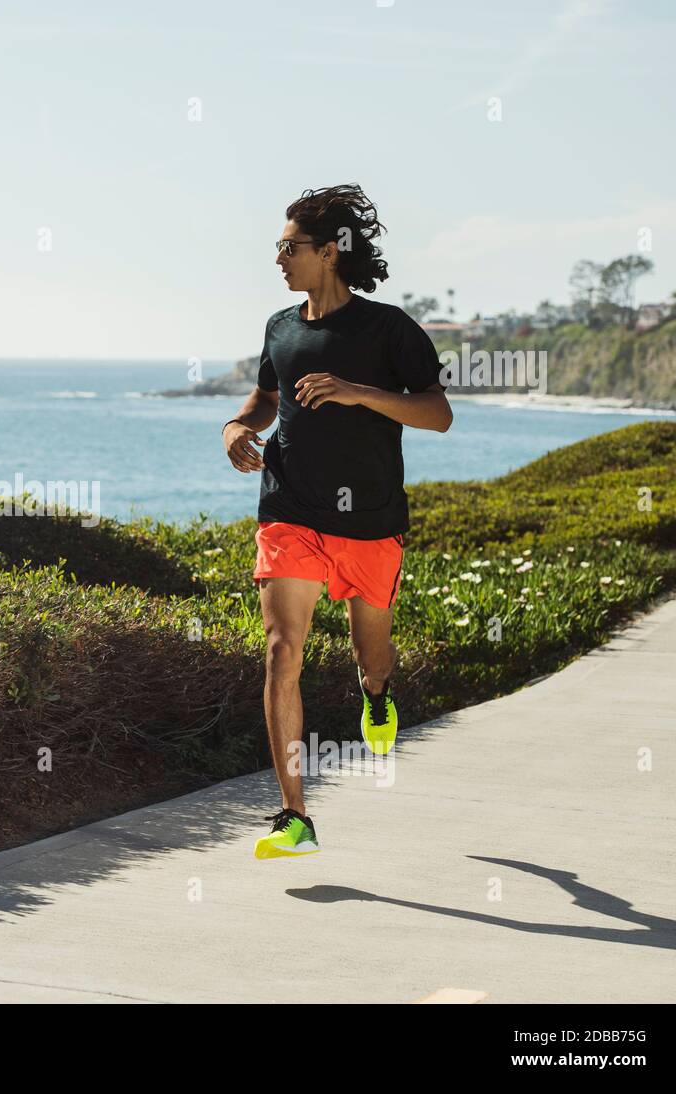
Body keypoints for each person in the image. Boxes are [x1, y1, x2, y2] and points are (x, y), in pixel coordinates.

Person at [221, 184, 452, 859]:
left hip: (371, 522)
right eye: (278, 247)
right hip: (289, 510)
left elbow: (436, 412)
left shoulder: (388, 330)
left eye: (288, 247)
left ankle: (375, 691)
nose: (278, 258)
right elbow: (266, 397)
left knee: (369, 654)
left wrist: (357, 392)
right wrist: (238, 424)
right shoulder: (280, 328)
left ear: (328, 252)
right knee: (280, 650)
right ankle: (295, 816)